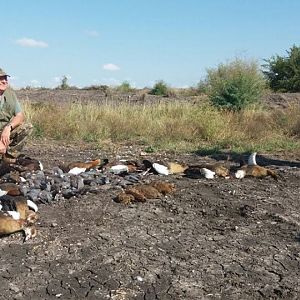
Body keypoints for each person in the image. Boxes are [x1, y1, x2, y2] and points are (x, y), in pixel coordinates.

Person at [0, 68, 32, 163]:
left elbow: (20, 116)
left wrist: (8, 128)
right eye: (1, 78)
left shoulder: (10, 94)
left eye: (5, 78)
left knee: (27, 127)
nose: (4, 81)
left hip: (3, 131)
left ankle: (9, 156)